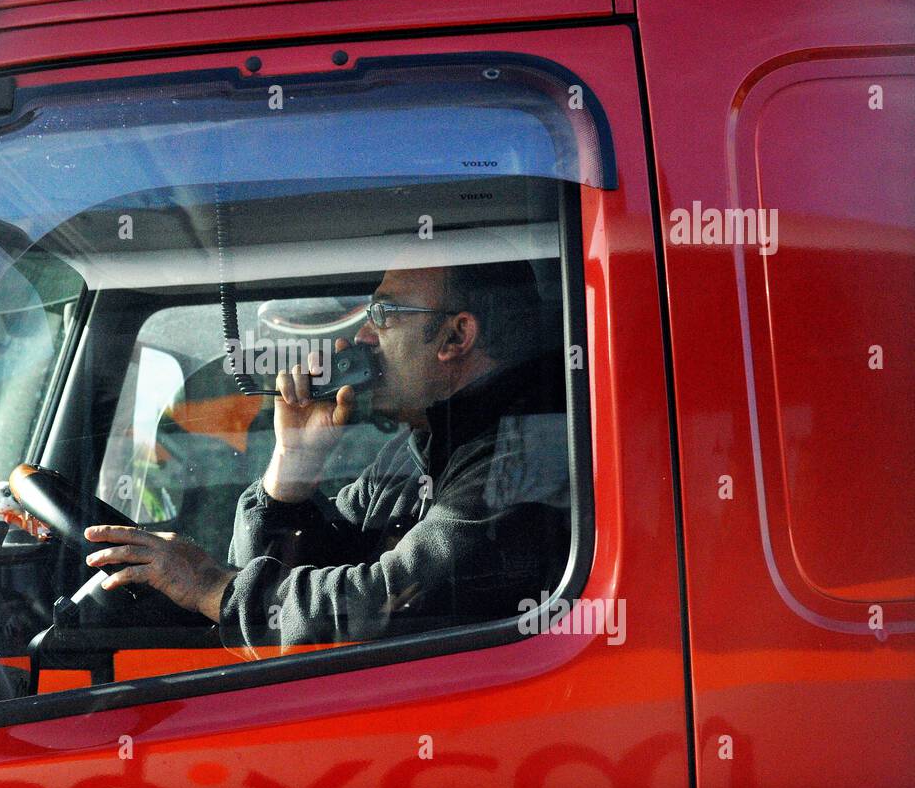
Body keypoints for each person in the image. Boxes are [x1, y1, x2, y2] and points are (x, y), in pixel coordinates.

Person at [84, 259, 572, 654]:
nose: (361, 337)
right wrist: (290, 473)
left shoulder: (525, 456)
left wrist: (211, 586)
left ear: (456, 337)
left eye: (383, 315)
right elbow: (289, 611)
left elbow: (389, 601)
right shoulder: (414, 453)